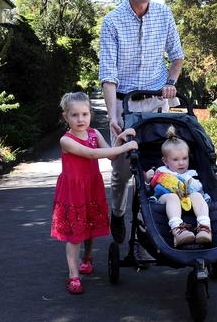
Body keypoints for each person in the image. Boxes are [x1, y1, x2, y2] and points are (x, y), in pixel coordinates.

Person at [99, 0, 185, 244]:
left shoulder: (164, 14)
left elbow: (177, 56)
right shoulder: (112, 21)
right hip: (126, 105)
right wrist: (113, 115)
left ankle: (155, 222)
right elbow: (108, 75)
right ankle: (118, 212)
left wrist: (170, 83)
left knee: (160, 166)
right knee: (122, 170)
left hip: (158, 104)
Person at [50, 92, 138, 294]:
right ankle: (73, 275)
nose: (80, 119)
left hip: (91, 187)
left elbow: (110, 156)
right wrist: (123, 146)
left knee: (88, 226)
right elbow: (91, 154)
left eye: (84, 114)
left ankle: (87, 258)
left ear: (90, 114)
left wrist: (120, 140)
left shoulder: (94, 134)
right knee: (74, 234)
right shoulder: (67, 140)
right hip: (73, 190)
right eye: (74, 115)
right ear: (66, 117)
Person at [144, 125, 212, 247]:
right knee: (172, 197)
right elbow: (149, 188)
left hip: (187, 197)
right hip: (165, 198)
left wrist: (187, 181)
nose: (181, 163)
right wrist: (147, 179)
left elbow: (198, 188)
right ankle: (177, 230)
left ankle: (204, 227)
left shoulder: (191, 174)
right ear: (165, 161)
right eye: (175, 160)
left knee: (197, 195)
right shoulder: (161, 171)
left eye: (185, 158)